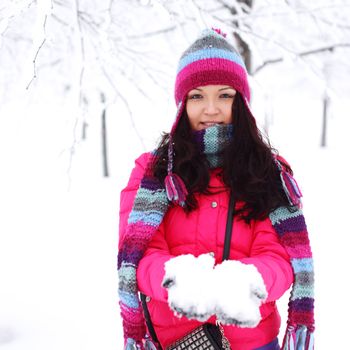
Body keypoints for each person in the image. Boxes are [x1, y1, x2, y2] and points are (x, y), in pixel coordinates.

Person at [118, 28, 315, 350]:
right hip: (176, 341)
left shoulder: (269, 170)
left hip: (253, 342)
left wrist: (251, 281)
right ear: (182, 104)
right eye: (197, 96)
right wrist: (175, 281)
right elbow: (139, 255)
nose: (211, 109)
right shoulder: (153, 172)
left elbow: (279, 256)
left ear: (242, 103)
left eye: (225, 95)